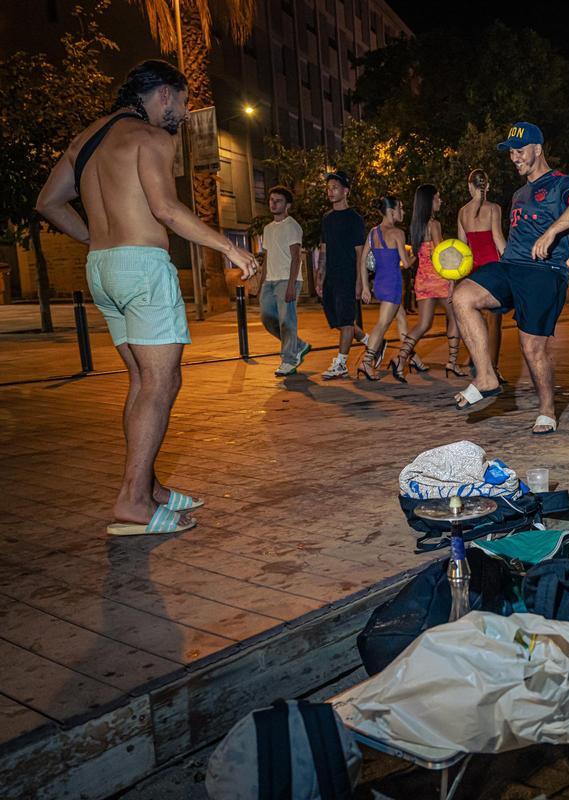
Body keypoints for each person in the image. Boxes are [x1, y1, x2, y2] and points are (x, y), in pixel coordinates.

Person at [35, 60, 256, 535]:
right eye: (183, 100)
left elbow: (48, 202)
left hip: (103, 269)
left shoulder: (87, 140)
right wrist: (229, 248)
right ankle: (133, 499)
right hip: (142, 268)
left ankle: (148, 486)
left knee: (141, 381)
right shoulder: (152, 138)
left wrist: (96, 240)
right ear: (162, 95)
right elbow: (164, 208)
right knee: (162, 383)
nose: (184, 111)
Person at [450, 122, 569, 435]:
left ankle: (546, 410)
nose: (515, 157)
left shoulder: (559, 183)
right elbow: (510, 240)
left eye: (519, 151)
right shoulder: (518, 194)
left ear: (537, 149)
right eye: (511, 153)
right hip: (512, 265)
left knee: (532, 348)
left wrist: (552, 231)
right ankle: (486, 376)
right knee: (462, 297)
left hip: (544, 271)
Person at [388, 184, 466, 379]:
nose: (440, 201)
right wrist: (451, 280)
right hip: (439, 279)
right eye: (437, 198)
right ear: (429, 201)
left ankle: (400, 359)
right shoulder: (434, 225)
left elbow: (417, 256)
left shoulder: (416, 227)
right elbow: (441, 255)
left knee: (423, 324)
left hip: (422, 281)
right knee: (455, 317)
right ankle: (452, 363)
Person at [355, 195, 428, 381]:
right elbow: (405, 262)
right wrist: (416, 254)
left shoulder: (373, 232)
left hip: (379, 283)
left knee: (401, 318)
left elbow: (363, 260)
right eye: (401, 208)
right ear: (392, 211)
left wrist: (365, 287)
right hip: (393, 285)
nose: (403, 212)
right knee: (382, 324)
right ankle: (366, 361)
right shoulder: (397, 233)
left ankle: (412, 358)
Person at [456, 169, 507, 381]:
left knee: (475, 318)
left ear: (470, 187)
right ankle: (492, 368)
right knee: (494, 321)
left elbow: (461, 248)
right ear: (488, 186)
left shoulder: (462, 212)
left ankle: (477, 360)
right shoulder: (494, 209)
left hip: (473, 270)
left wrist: (457, 280)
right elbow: (498, 240)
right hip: (493, 268)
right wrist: (514, 264)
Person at [316, 170, 368, 380]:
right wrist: (320, 277)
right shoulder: (327, 219)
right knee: (338, 320)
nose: (331, 192)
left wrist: (359, 281)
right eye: (328, 188)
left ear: (346, 191)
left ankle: (341, 363)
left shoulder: (354, 219)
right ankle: (372, 343)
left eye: (335, 187)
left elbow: (359, 253)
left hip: (348, 276)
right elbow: (324, 249)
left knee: (346, 321)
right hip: (331, 277)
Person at [259, 186, 312, 376]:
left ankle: (289, 360)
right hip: (270, 281)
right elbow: (266, 258)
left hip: (287, 281)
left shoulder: (292, 226)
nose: (273, 203)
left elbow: (296, 257)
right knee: (267, 318)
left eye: (278, 200)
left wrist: (291, 285)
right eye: (271, 200)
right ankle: (298, 345)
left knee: (286, 321)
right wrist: (261, 283)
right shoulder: (267, 229)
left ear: (287, 205)